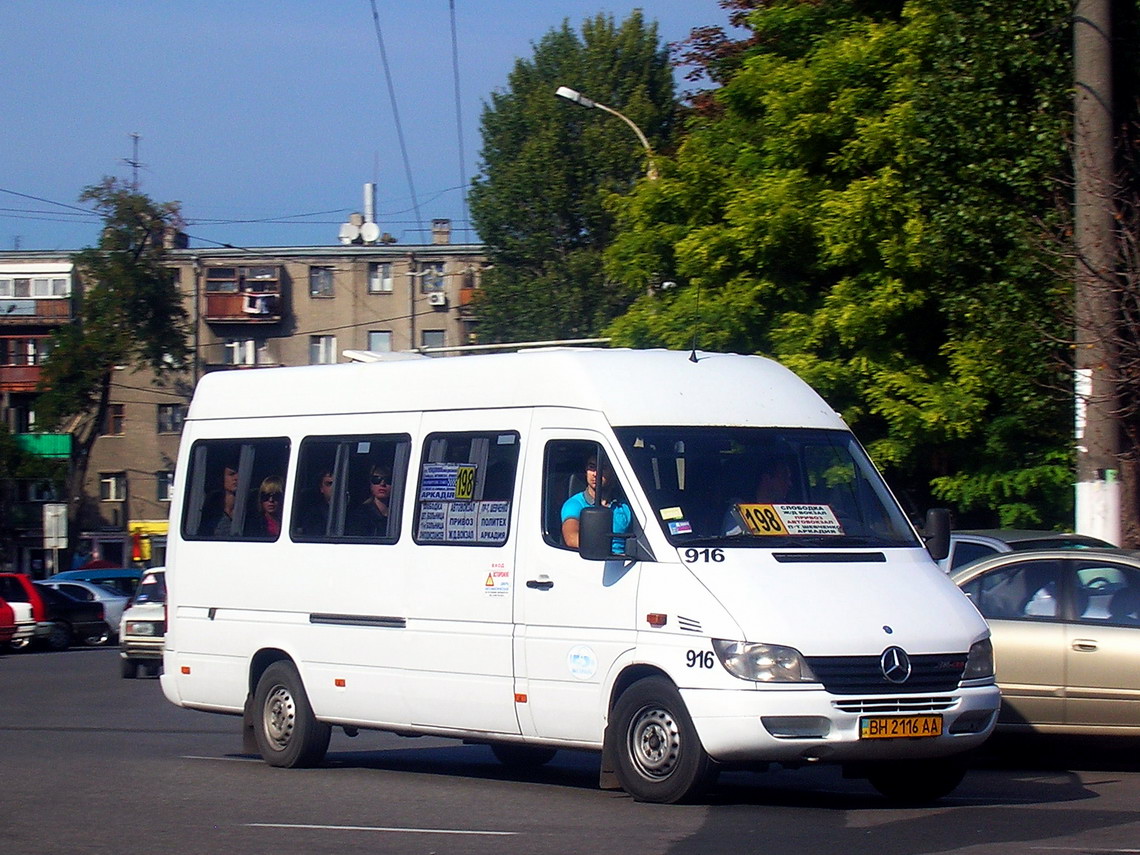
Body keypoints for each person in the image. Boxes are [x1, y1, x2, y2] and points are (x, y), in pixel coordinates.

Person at [561, 455, 631, 553]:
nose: (595, 473)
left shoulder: (624, 506)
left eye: (603, 468)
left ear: (613, 472)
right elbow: (571, 538)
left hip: (630, 563)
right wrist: (602, 550)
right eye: (592, 467)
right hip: (595, 561)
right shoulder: (575, 504)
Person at [348, 465, 392, 537]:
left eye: (388, 480)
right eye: (376, 479)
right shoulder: (360, 516)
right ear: (370, 484)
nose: (382, 484)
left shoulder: (401, 514)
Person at [296, 469, 334, 536]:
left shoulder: (351, 512)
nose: (333, 487)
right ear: (321, 488)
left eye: (337, 483)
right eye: (329, 484)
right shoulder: (313, 515)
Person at [208, 460, 241, 536]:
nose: (236, 477)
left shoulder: (249, 509)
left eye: (239, 473)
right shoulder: (211, 509)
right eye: (232, 474)